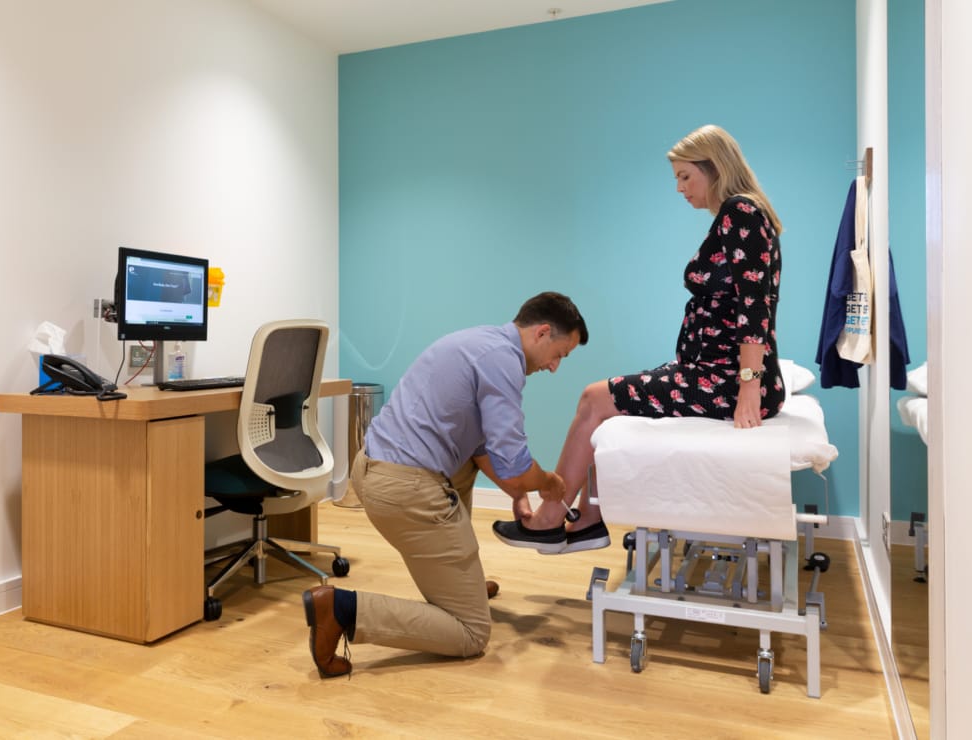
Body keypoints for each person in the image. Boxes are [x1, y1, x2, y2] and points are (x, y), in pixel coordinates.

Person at [493, 124, 786, 553]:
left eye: (685, 176)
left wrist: (748, 386)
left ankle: (550, 518)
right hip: (709, 372)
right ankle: (589, 519)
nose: (680, 188)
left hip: (724, 378)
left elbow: (754, 307)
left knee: (594, 398)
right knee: (607, 402)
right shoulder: (737, 216)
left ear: (714, 167)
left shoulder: (740, 212)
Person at [302, 291, 589, 679]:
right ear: (542, 333)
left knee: (468, 461)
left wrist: (519, 493)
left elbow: (481, 446)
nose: (555, 366)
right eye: (560, 354)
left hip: (373, 469)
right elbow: (517, 464)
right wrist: (548, 484)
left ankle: (461, 582)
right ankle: (341, 609)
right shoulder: (504, 362)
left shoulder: (482, 342)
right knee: (471, 633)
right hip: (404, 490)